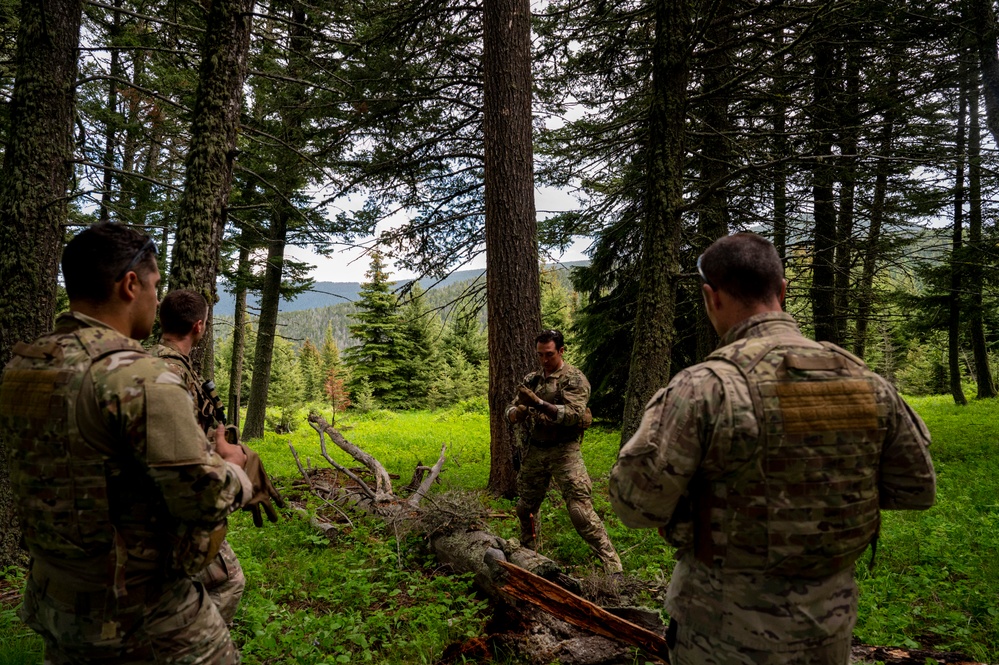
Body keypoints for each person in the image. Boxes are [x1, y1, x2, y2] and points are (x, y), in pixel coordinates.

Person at [609, 232, 936, 664]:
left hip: (722, 632)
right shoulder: (867, 382)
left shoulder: (704, 388)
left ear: (712, 297)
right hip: (829, 624)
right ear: (783, 290)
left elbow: (635, 507)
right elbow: (916, 490)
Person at [0, 223, 254, 664]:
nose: (158, 300)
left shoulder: (24, 365)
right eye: (155, 286)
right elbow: (204, 500)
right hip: (138, 612)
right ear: (130, 284)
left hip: (55, 594)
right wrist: (234, 466)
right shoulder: (136, 377)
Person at [152, 289, 264, 624]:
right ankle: (193, 646)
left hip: (155, 505)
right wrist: (228, 465)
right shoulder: (173, 374)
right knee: (229, 580)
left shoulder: (149, 361)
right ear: (199, 327)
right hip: (176, 505)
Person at [506, 329, 623, 574]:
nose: (544, 360)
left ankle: (612, 565)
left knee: (580, 511)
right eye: (540, 355)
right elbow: (511, 410)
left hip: (564, 452)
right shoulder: (533, 379)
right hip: (535, 451)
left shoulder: (574, 379)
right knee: (525, 508)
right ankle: (529, 554)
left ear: (561, 351)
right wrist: (518, 412)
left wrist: (538, 404)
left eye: (549, 354)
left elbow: (573, 415)